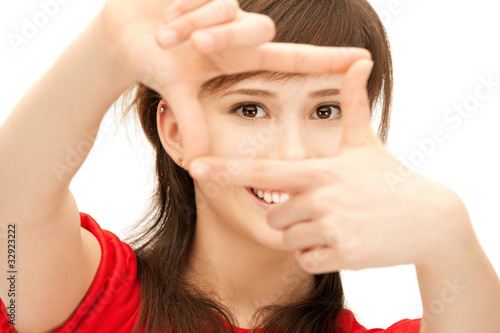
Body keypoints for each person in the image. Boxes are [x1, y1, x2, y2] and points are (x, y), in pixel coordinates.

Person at [0, 0, 499, 332]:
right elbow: (14, 201)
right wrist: (104, 53)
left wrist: (451, 239)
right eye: (250, 109)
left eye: (326, 111)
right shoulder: (98, 302)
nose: (292, 152)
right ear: (175, 132)